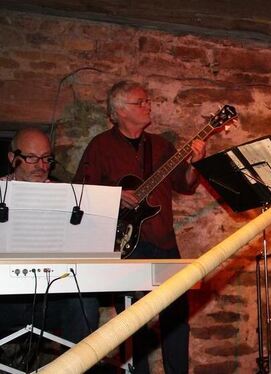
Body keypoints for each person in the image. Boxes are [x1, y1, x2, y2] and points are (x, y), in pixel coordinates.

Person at [74, 81, 206, 374]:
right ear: (120, 110)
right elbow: (80, 192)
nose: (149, 105)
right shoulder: (101, 146)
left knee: (176, 318)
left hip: (164, 242)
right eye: (141, 102)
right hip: (124, 245)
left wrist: (196, 163)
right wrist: (116, 197)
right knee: (132, 322)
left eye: (148, 100)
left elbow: (184, 185)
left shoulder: (161, 146)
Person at [0, 127, 99, 351]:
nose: (41, 166)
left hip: (50, 300)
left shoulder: (69, 197)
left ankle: (76, 365)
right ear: (12, 158)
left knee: (85, 302)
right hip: (3, 298)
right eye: (31, 158)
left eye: (46, 159)